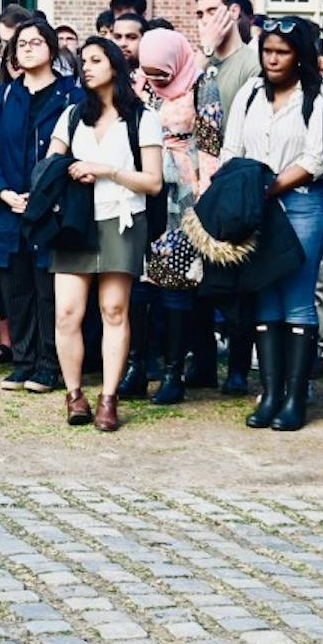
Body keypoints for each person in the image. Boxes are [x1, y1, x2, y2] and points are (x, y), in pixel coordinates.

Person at [48, 36, 162, 432]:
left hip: (121, 217)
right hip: (75, 221)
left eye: (95, 60)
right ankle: (74, 393)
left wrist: (106, 169)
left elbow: (153, 183)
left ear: (115, 66)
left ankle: (108, 398)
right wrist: (69, 167)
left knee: (114, 309)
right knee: (67, 313)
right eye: (83, 61)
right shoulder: (71, 115)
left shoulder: (142, 118)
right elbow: (50, 166)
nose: (87, 67)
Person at [221, 17, 323, 431]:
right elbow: (232, 147)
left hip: (301, 205)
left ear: (299, 55)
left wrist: (267, 188)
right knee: (264, 297)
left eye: (282, 52)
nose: (273, 59)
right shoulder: (249, 93)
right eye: (267, 51)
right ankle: (270, 393)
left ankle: (296, 399)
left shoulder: (318, 97)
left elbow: (315, 159)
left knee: (297, 298)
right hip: (256, 208)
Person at [0, 19, 82, 394]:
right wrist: (3, 192)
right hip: (8, 207)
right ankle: (23, 361)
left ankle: (48, 364)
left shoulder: (71, 96)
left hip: (51, 210)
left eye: (36, 42)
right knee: (15, 286)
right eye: (21, 43)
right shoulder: (5, 96)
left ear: (52, 50)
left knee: (49, 288)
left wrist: (44, 196)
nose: (27, 48)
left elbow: (76, 151)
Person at [137, 26, 223, 405]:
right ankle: (137, 366)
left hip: (184, 196)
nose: (156, 80)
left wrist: (202, 199)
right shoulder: (139, 86)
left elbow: (210, 145)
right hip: (144, 188)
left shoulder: (203, 84)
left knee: (176, 282)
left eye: (162, 73)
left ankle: (174, 372)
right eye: (150, 72)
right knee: (140, 283)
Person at [194, 0, 261, 117]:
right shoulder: (199, 60)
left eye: (212, 12)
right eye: (200, 15)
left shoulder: (253, 64)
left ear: (234, 12)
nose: (205, 20)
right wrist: (206, 48)